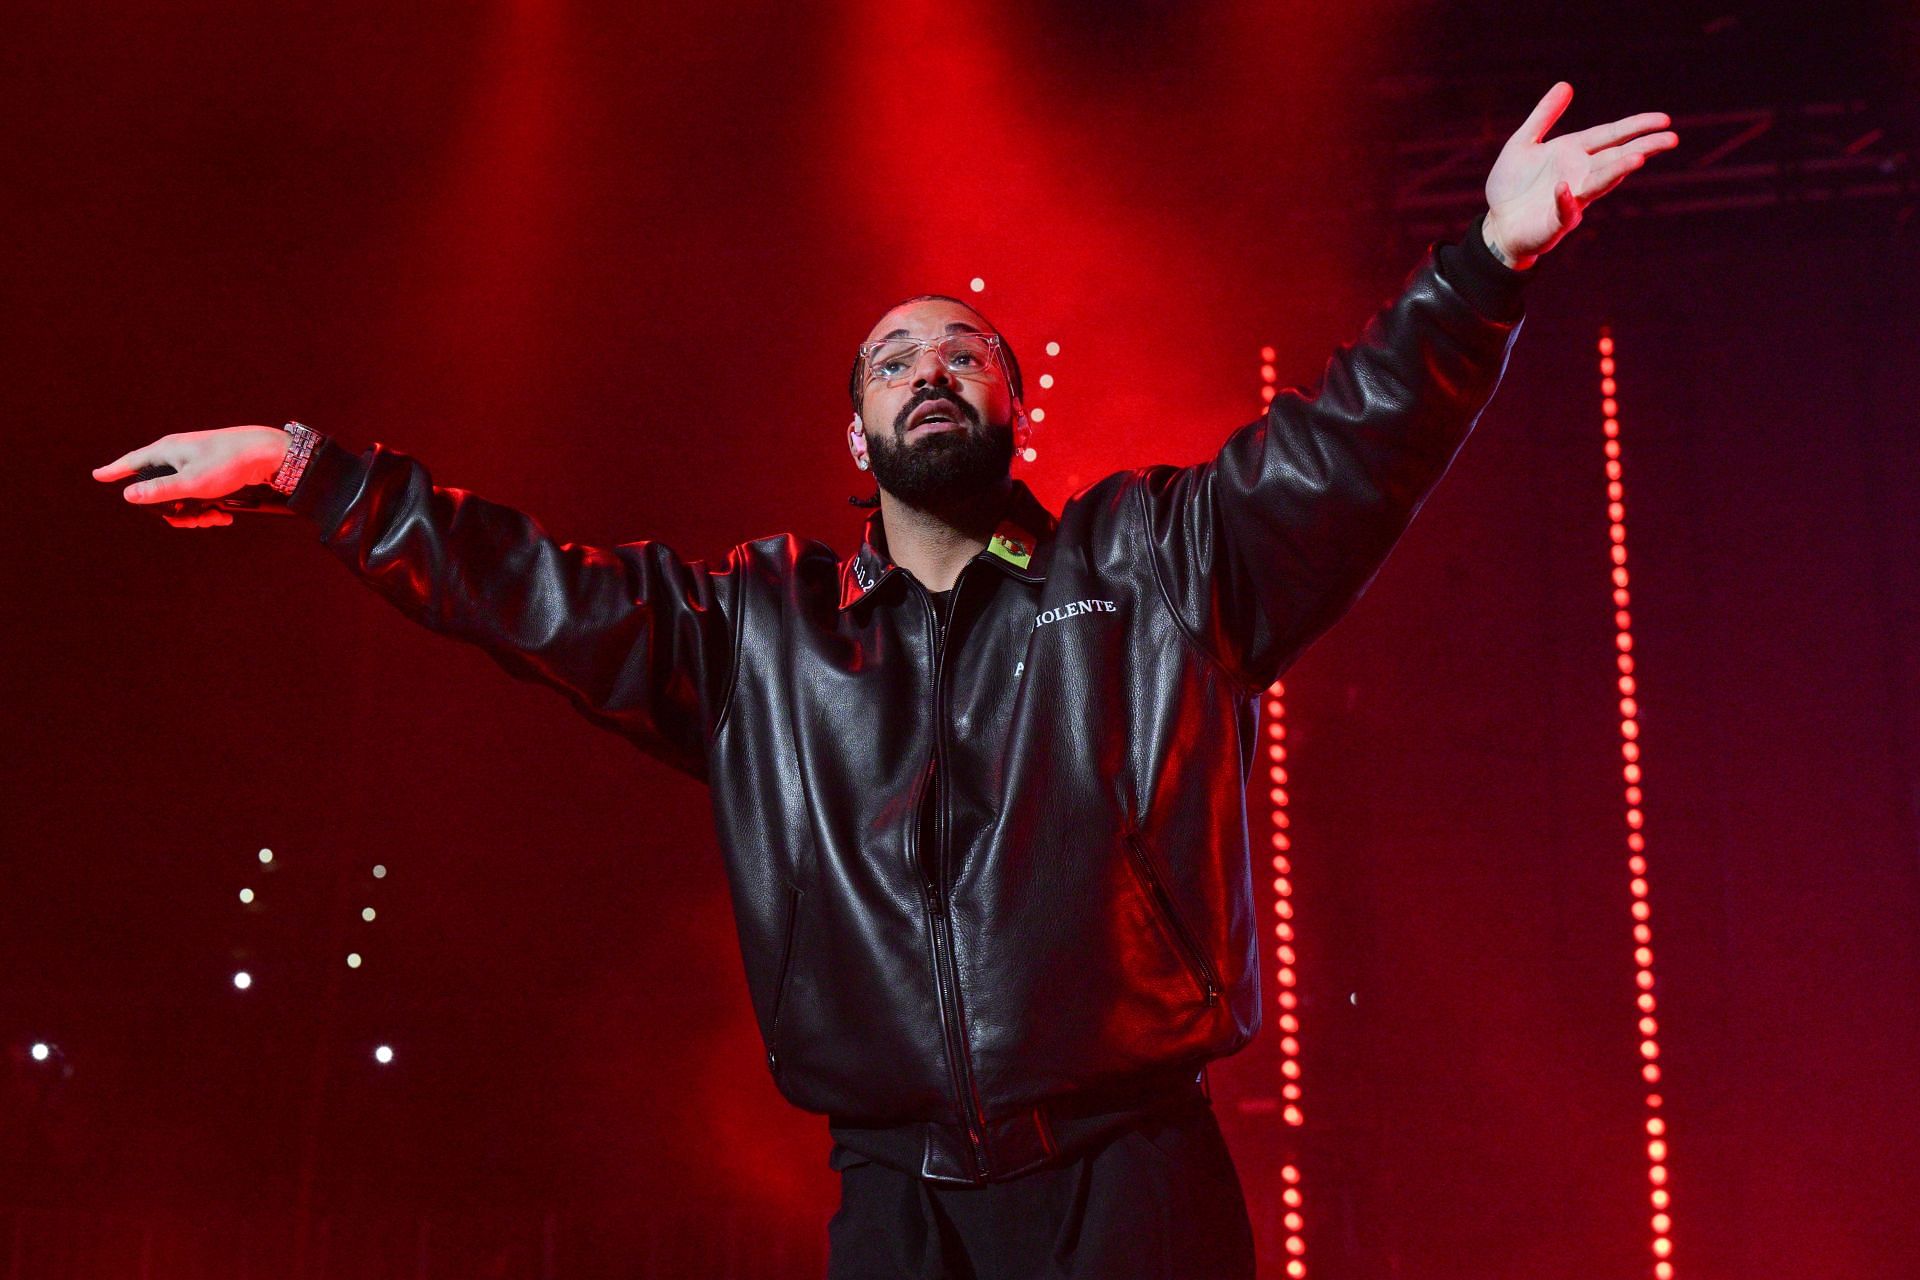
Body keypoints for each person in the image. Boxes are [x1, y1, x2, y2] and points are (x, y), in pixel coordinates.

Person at [92, 83, 1674, 1279]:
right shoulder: (755, 633)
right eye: (894, 358)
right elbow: (523, 588)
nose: (931, 368)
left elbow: (1354, 444)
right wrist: (308, 470)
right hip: (895, 1196)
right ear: (854, 437)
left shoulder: (1158, 563)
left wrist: (1483, 263)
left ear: (1013, 409)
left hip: (1132, 1175)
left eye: (963, 350)